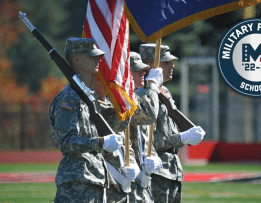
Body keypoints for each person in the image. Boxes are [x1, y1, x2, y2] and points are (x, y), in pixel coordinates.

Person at [49, 37, 123, 203]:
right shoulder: (68, 98)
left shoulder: (89, 97)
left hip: (94, 180)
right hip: (76, 184)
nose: (98, 59)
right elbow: (67, 142)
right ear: (77, 60)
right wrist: (101, 142)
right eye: (92, 56)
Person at [139, 43, 206, 203]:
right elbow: (146, 142)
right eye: (166, 62)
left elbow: (172, 125)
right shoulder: (142, 95)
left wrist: (189, 135)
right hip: (155, 171)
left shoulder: (164, 92)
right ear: (150, 66)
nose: (172, 65)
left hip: (172, 169)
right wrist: (182, 138)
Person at [128, 51, 164, 203]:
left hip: (142, 182)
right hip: (124, 180)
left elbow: (144, 137)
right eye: (136, 70)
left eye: (143, 69)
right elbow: (150, 114)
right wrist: (153, 85)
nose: (143, 72)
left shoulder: (136, 97)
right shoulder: (121, 100)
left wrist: (155, 159)